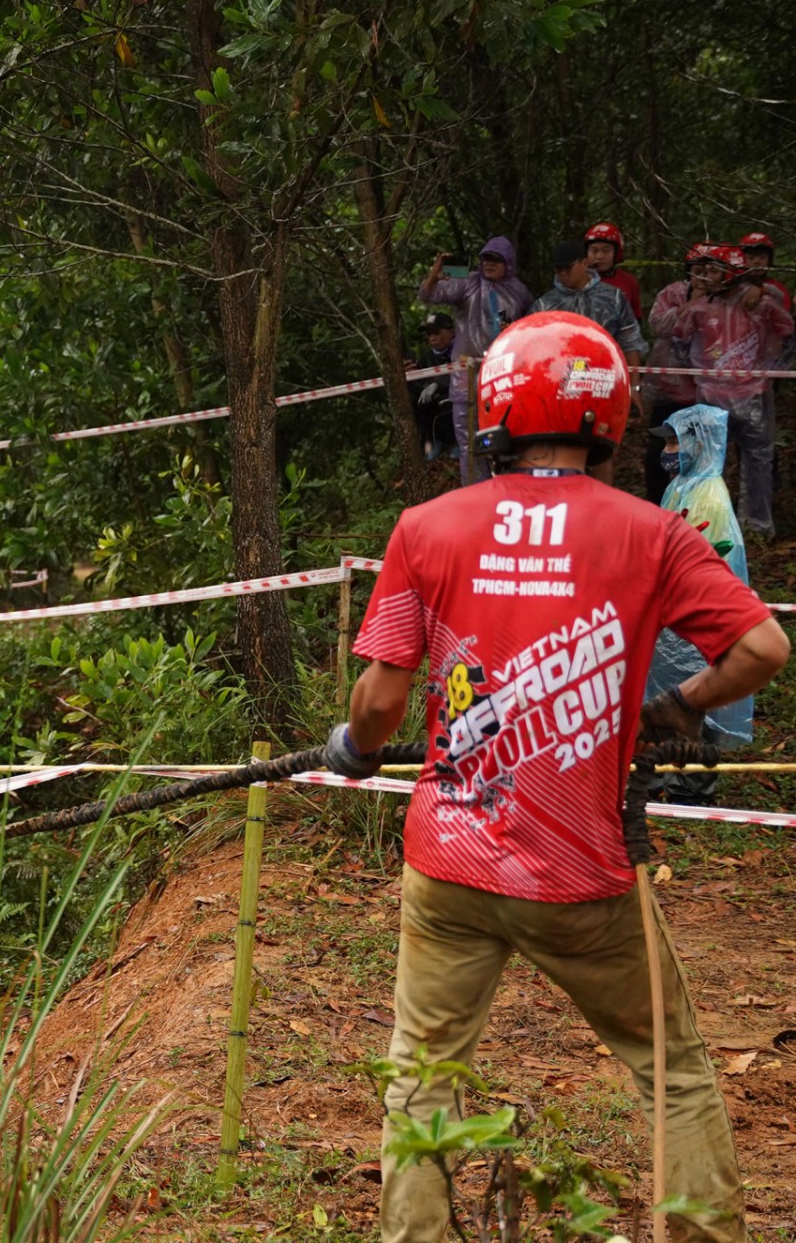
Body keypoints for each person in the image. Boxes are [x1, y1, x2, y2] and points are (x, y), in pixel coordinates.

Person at [322, 311, 789, 1243]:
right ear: (610, 418)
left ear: (495, 411)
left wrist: (357, 748)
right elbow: (762, 646)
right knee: (675, 1074)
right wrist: (681, 708)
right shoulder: (650, 532)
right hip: (585, 875)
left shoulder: (429, 526)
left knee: (422, 1071)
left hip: (448, 866)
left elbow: (379, 700)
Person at [646, 405, 753, 803]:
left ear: (699, 441)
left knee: (694, 703)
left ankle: (691, 788)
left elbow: (710, 558)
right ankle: (661, 776)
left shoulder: (710, 494)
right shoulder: (679, 486)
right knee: (667, 696)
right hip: (671, 617)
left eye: (675, 440)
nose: (668, 450)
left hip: (694, 620)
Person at [673, 244, 794, 534]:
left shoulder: (762, 302)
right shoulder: (701, 308)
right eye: (705, 270)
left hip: (754, 395)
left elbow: (788, 334)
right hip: (712, 396)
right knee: (709, 462)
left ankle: (756, 525)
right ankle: (711, 524)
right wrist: (697, 377)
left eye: (715, 269)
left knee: (758, 459)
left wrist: (772, 372)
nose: (708, 276)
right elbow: (679, 340)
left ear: (732, 271)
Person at [419, 237, 536, 485]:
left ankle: (514, 487)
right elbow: (428, 295)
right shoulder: (469, 283)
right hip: (467, 375)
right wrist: (436, 272)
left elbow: (532, 329)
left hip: (504, 375)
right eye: (486, 259)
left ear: (508, 263)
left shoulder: (520, 292)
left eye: (496, 259)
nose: (489, 264)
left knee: (509, 435)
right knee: (468, 441)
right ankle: (475, 493)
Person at [643, 244, 717, 502]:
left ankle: (695, 506)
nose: (704, 277)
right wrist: (689, 305)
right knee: (657, 451)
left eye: (711, 271)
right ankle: (656, 503)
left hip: (705, 391)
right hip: (668, 388)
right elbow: (656, 324)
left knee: (699, 453)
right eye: (699, 271)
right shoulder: (673, 292)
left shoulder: (724, 299)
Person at [535, 239, 649, 366]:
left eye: (567, 268)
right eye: (558, 269)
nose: (562, 273)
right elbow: (531, 344)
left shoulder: (613, 297)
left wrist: (633, 385)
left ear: (584, 263)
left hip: (605, 373)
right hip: (558, 374)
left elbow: (630, 341)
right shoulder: (545, 305)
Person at [409, 313, 457, 461]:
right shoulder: (426, 357)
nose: (432, 338)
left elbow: (467, 373)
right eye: (429, 334)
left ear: (451, 331)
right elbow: (421, 378)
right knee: (417, 400)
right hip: (434, 403)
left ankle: (459, 442)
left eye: (436, 332)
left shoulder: (461, 350)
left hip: (457, 396)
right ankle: (435, 441)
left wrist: (439, 383)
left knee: (449, 403)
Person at [584, 221, 643, 316]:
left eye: (606, 251)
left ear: (616, 254)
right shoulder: (577, 280)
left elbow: (635, 319)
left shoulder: (629, 281)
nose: (599, 256)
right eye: (594, 250)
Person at [738, 231, 791, 315]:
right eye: (751, 257)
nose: (757, 262)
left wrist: (762, 290)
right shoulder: (733, 285)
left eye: (763, 257)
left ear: (769, 261)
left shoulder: (777, 288)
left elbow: (784, 320)